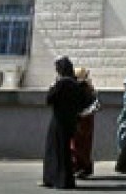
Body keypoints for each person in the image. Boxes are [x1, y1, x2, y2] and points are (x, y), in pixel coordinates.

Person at [41, 56, 87, 189]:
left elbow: (49, 99)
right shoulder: (76, 84)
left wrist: (52, 87)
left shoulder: (61, 84)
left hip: (58, 121)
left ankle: (53, 178)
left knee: (54, 150)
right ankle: (66, 180)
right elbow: (83, 103)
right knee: (65, 151)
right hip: (70, 121)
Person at [71, 67, 98, 179]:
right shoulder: (90, 88)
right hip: (88, 119)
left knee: (78, 144)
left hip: (80, 119)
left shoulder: (80, 88)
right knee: (86, 144)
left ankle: (79, 167)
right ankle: (85, 167)